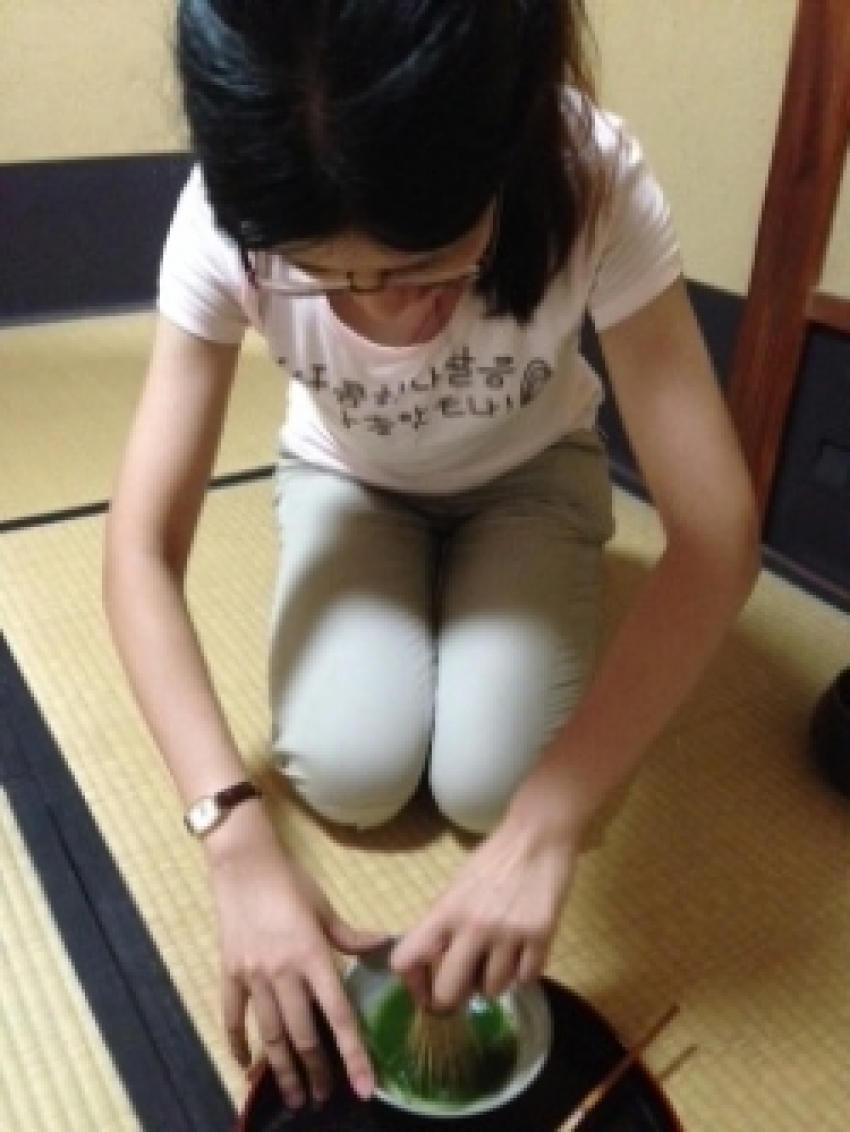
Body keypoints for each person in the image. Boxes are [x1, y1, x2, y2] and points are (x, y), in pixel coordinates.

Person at [104, 0, 760, 1111]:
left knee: (497, 787)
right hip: (350, 480)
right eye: (328, 275)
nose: (391, 312)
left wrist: (546, 829)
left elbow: (716, 534)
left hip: (529, 476)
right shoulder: (232, 211)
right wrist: (231, 834)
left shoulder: (586, 174)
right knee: (348, 775)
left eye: (425, 263)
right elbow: (137, 543)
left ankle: (509, 610)